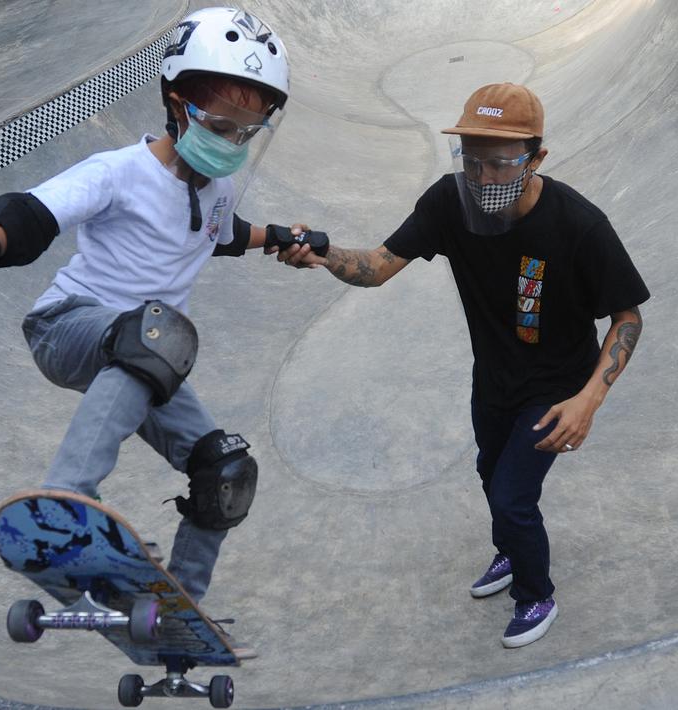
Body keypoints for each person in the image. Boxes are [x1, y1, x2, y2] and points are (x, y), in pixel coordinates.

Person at [0, 8, 296, 642]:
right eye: (221, 123)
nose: (231, 141)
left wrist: (286, 237)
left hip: (144, 358)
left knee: (226, 470)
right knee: (159, 334)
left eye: (247, 131)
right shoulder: (118, 171)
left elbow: (219, 234)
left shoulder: (217, 190)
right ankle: (65, 504)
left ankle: (177, 615)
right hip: (68, 329)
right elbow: (35, 212)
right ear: (175, 99)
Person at [275, 83, 650, 649]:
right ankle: (511, 549)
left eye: (501, 164)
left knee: (511, 497)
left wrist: (588, 401)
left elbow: (627, 319)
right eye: (472, 162)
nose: (485, 179)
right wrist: (323, 255)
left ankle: (536, 593)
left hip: (556, 389)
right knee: (487, 472)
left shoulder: (578, 225)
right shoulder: (449, 203)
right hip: (494, 377)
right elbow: (376, 267)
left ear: (537, 158)